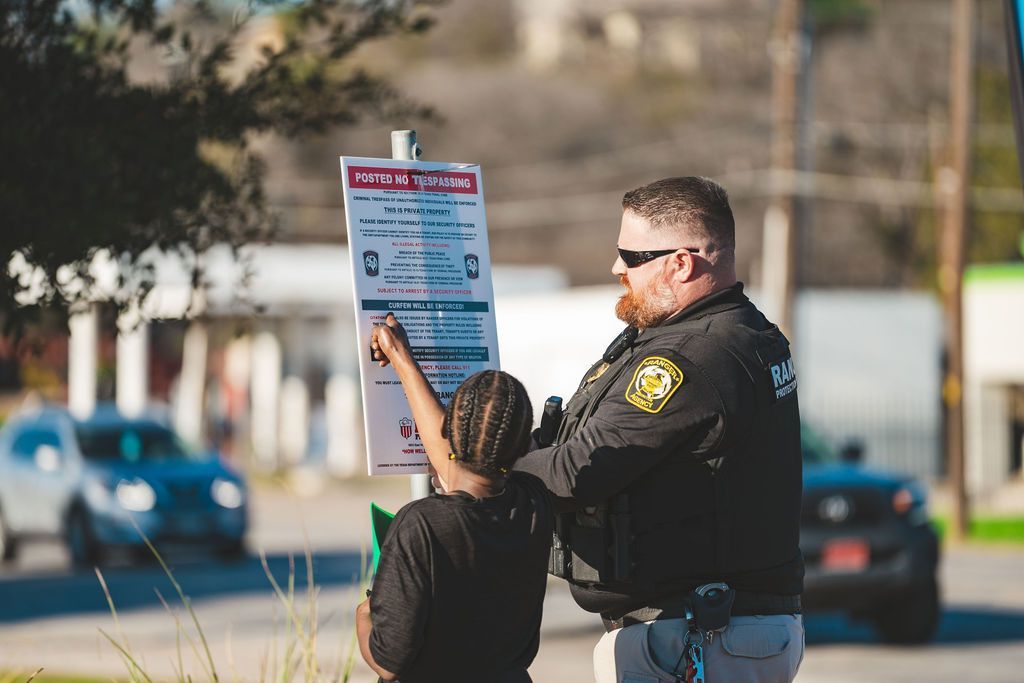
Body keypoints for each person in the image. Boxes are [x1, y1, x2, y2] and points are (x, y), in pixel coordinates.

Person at [515, 177, 805, 682]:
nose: (615, 268)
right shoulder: (741, 330)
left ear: (681, 262)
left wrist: (480, 465)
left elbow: (579, 470)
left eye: (630, 255)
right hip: (716, 627)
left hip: (703, 633)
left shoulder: (693, 357)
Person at [355, 315, 552, 683]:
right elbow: (461, 466)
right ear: (524, 447)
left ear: (448, 428)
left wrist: (363, 618)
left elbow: (389, 662)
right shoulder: (534, 507)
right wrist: (402, 359)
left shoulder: (423, 524)